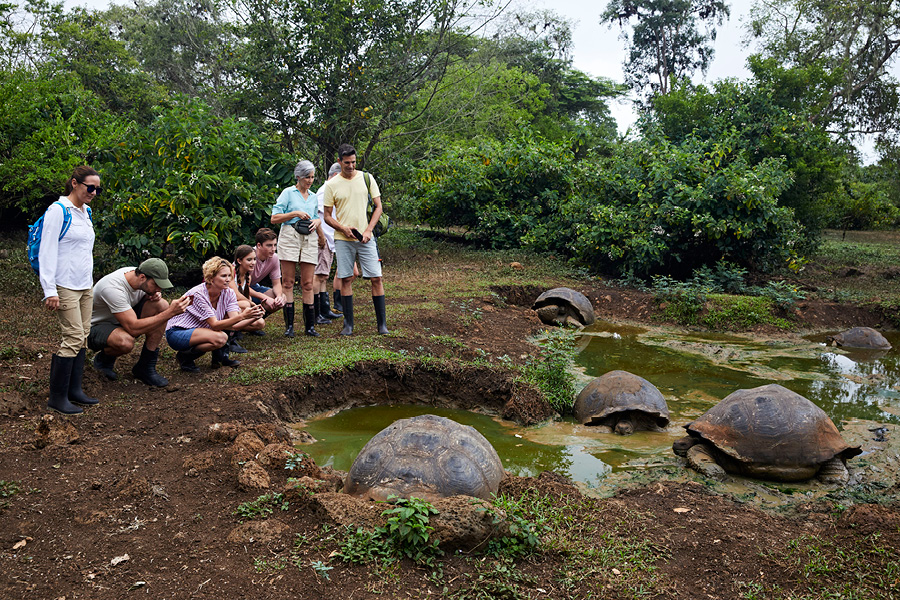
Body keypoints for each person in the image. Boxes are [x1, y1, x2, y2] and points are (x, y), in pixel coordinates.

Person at [38, 166, 100, 414]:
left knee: (83, 335)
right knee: (73, 337)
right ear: (75, 183)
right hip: (64, 285)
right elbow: (47, 250)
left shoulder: (86, 212)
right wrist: (49, 289)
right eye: (90, 187)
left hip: (85, 284)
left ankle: (75, 390)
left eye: (98, 188)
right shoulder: (58, 211)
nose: (94, 192)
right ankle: (57, 397)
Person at [89, 258, 191, 387]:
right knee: (125, 342)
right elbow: (133, 328)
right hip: (95, 327)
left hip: (120, 319)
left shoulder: (137, 276)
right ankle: (104, 360)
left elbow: (139, 300)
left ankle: (145, 366)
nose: (159, 289)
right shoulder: (112, 288)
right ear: (142, 277)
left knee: (161, 305)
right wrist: (170, 313)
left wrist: (150, 295)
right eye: (156, 285)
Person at [323, 143, 389, 336]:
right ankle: (348, 324)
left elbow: (378, 207)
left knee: (376, 277)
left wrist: (369, 230)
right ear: (339, 162)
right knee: (346, 278)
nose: (351, 166)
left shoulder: (367, 178)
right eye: (346, 163)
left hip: (365, 238)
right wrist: (342, 228)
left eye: (353, 162)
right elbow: (327, 215)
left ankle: (382, 325)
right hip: (343, 239)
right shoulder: (331, 185)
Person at [165, 257, 266, 371]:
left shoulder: (228, 293)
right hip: (177, 332)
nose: (228, 279)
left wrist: (253, 316)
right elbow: (215, 325)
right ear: (211, 278)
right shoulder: (198, 294)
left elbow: (234, 325)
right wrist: (243, 315)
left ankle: (219, 358)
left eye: (229, 276)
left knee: (223, 331)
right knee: (220, 338)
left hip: (198, 330)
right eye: (223, 276)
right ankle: (185, 356)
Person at [270, 160, 326, 337]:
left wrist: (319, 227)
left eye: (312, 177)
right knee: (288, 282)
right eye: (307, 177)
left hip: (309, 237)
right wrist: (294, 214)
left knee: (308, 283)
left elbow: (316, 216)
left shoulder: (314, 196)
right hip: (290, 235)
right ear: (299, 177)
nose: (310, 180)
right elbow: (274, 217)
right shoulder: (288, 193)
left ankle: (310, 326)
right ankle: (289, 326)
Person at [314, 162, 344, 324]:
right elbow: (316, 215)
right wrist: (321, 237)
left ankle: (324, 310)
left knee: (323, 276)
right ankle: (316, 312)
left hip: (329, 239)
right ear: (334, 176)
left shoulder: (330, 190)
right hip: (322, 239)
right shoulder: (325, 191)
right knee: (318, 276)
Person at [248, 228, 286, 331]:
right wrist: (264, 297)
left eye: (274, 245)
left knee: (282, 298)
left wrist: (278, 297)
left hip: (254, 287)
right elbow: (240, 287)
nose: (273, 249)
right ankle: (239, 330)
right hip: (238, 290)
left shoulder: (274, 258)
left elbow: (277, 283)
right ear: (259, 245)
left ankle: (254, 325)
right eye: (269, 245)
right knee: (247, 302)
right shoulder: (248, 256)